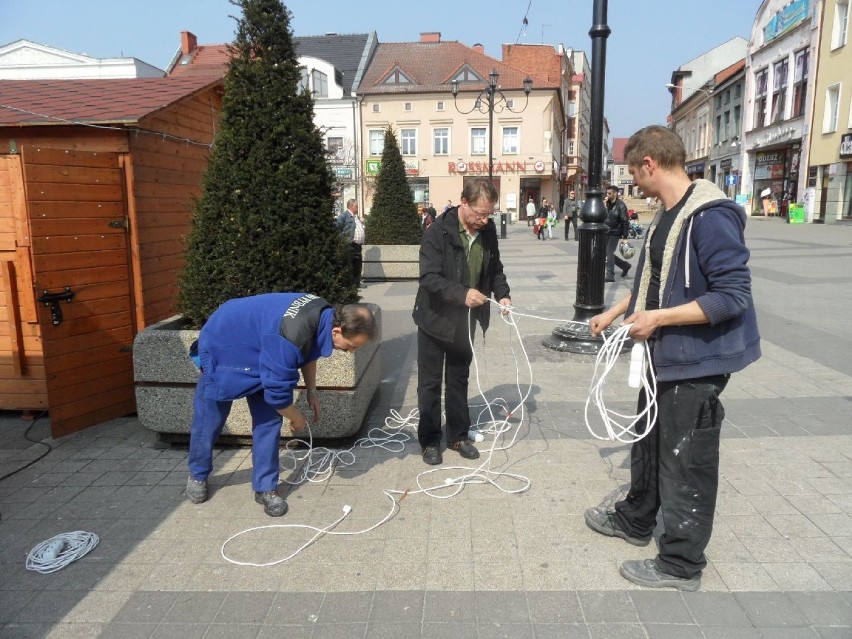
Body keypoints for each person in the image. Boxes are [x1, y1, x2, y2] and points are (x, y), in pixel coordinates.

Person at [585, 125, 761, 591]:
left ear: (650, 165)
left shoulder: (709, 216)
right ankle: (637, 519)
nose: (633, 186)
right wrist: (615, 311)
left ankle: (681, 565)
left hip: (696, 363)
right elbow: (650, 279)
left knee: (686, 462)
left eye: (633, 175)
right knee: (648, 444)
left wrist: (658, 320)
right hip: (661, 359)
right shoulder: (666, 213)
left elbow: (732, 297)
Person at [186, 293, 376, 516]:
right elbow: (277, 396)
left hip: (262, 346)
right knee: (210, 420)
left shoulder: (323, 314)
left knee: (268, 423)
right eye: (350, 347)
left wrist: (311, 391)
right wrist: (296, 417)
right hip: (224, 345)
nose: (351, 352)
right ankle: (198, 474)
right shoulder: (290, 335)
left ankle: (265, 488)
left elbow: (309, 351)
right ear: (337, 331)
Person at [412, 178, 511, 465]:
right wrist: (462, 293)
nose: (484, 219)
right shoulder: (436, 232)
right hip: (433, 318)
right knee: (429, 384)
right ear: (463, 203)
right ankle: (430, 440)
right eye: (480, 213)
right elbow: (428, 278)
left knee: (458, 379)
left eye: (489, 213)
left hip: (464, 321)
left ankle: (458, 435)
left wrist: (503, 294)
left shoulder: (488, 231)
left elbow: (495, 268)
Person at [604, 186, 631, 282]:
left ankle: (610, 275)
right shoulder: (607, 204)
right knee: (605, 253)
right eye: (607, 193)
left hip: (615, 232)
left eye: (609, 193)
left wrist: (625, 237)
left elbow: (625, 221)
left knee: (609, 252)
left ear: (615, 194)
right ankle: (625, 265)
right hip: (607, 231)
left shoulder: (621, 205)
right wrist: (604, 205)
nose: (607, 195)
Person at [336, 199, 365, 286]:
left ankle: (357, 283)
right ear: (352, 206)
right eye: (357, 206)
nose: (358, 208)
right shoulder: (344, 216)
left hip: (358, 245)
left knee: (357, 264)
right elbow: (337, 227)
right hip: (349, 244)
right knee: (349, 264)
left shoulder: (356, 217)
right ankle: (350, 284)